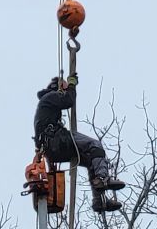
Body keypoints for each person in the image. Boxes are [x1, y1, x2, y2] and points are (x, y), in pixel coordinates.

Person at [34, 77, 125, 212]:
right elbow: (68, 100)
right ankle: (102, 178)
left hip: (52, 148)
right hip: (57, 140)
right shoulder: (49, 97)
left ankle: (99, 200)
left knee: (90, 160)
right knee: (95, 145)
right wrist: (71, 85)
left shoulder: (46, 105)